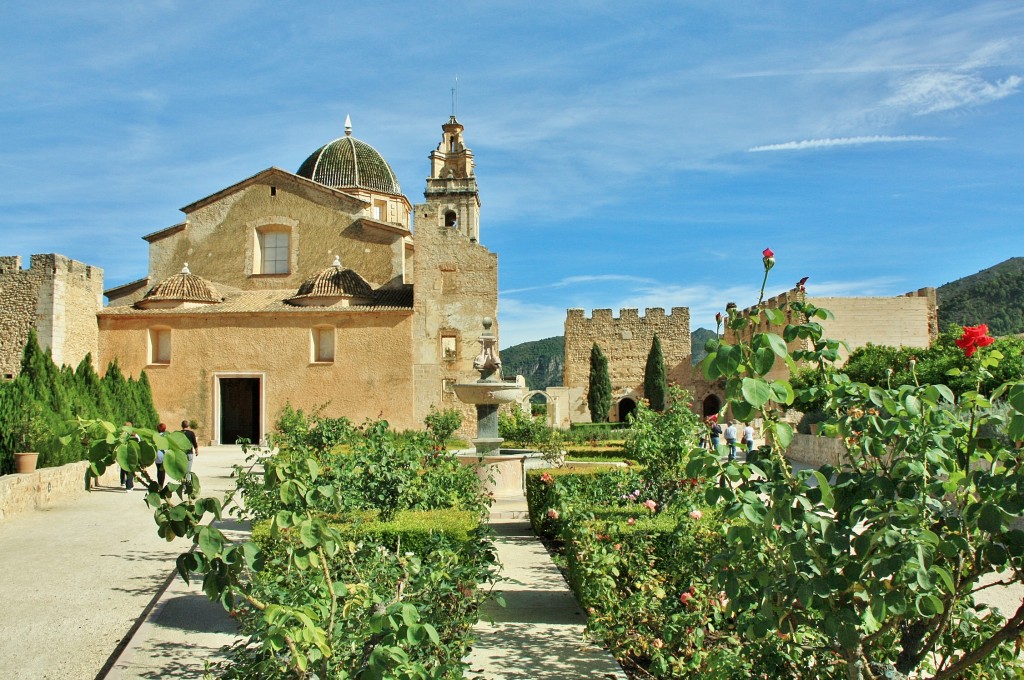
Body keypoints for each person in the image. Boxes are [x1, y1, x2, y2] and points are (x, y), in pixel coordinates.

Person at [121, 421, 139, 492]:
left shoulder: (122, 435)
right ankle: (129, 486)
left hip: (124, 454)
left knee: (127, 470)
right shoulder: (135, 435)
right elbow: (139, 444)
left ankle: (129, 485)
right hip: (133, 455)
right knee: (130, 470)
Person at [154, 422, 167, 488]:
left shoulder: (155, 436)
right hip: (163, 455)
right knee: (162, 472)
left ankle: (159, 483)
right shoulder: (165, 436)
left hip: (157, 455)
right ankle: (161, 485)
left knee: (158, 470)